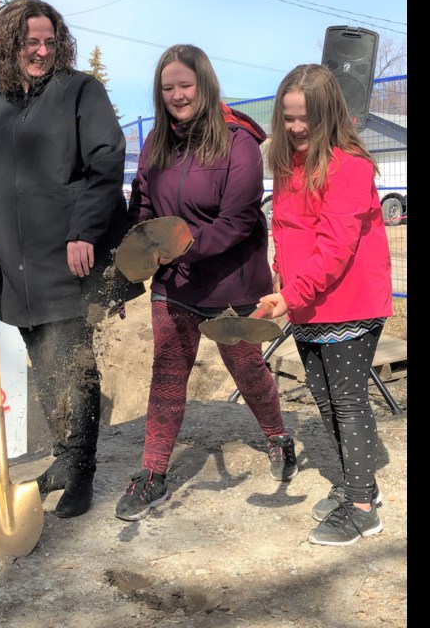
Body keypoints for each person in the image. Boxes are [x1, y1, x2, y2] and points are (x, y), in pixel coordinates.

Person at [0, 0, 143, 518]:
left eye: (50, 42)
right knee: (45, 360)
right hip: (14, 265)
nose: (41, 51)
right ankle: (64, 453)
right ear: (9, 44)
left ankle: (81, 469)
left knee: (73, 360)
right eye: (30, 42)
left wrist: (85, 230)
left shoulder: (80, 91)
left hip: (69, 258)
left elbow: (106, 161)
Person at [115, 44, 296, 522]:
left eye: (185, 85)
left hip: (231, 284)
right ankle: (152, 473)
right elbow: (145, 208)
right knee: (168, 376)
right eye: (168, 87)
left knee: (247, 370)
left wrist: (180, 248)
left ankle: (278, 436)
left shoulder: (237, 141)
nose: (177, 95)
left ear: (205, 85)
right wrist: (134, 259)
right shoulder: (156, 142)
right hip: (175, 283)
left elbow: (238, 219)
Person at [259, 64, 393, 546]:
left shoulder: (349, 166)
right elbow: (288, 229)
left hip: (348, 301)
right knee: (324, 400)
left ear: (328, 115)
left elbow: (335, 248)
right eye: (288, 117)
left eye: (306, 119)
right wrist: (282, 276)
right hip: (307, 303)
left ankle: (362, 511)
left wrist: (290, 295)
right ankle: (362, 489)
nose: (296, 127)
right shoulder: (287, 161)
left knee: (348, 403)